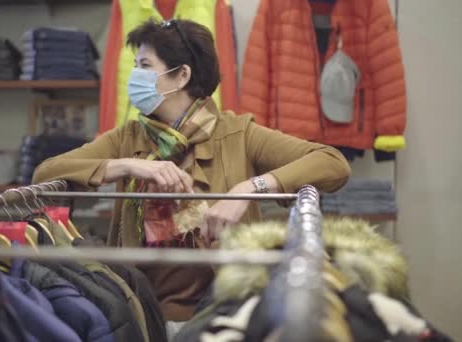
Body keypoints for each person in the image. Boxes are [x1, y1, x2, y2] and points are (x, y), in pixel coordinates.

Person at [32, 19, 351, 324]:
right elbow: (45, 174)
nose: (134, 75)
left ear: (181, 75)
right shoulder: (128, 137)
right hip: (142, 316)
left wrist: (249, 188)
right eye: (135, 65)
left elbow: (331, 162)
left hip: (224, 312)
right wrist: (127, 165)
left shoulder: (237, 133)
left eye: (144, 66)